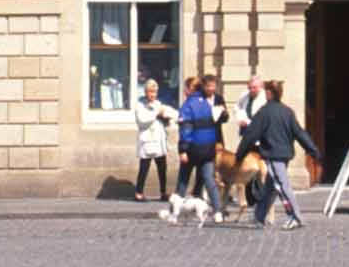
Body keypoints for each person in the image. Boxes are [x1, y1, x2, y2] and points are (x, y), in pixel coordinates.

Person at [234, 79, 322, 230]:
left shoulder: (264, 112)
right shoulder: (287, 111)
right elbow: (300, 133)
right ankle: (258, 217)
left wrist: (240, 155)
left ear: (269, 93)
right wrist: (313, 150)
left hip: (273, 156)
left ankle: (295, 217)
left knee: (281, 186)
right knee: (270, 187)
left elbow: (251, 135)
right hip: (285, 154)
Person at [176, 74, 227, 215]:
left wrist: (183, 150)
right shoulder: (207, 104)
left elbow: (186, 129)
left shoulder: (188, 105)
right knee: (209, 180)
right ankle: (218, 210)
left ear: (188, 90)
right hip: (208, 148)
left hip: (193, 148)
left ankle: (174, 210)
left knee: (183, 180)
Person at [133, 79, 171, 203]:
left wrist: (165, 118)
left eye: (154, 92)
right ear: (145, 92)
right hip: (147, 140)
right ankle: (138, 193)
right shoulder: (140, 104)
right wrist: (156, 113)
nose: (152, 95)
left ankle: (163, 192)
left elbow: (163, 120)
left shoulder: (159, 103)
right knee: (144, 167)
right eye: (150, 92)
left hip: (159, 140)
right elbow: (142, 120)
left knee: (162, 167)